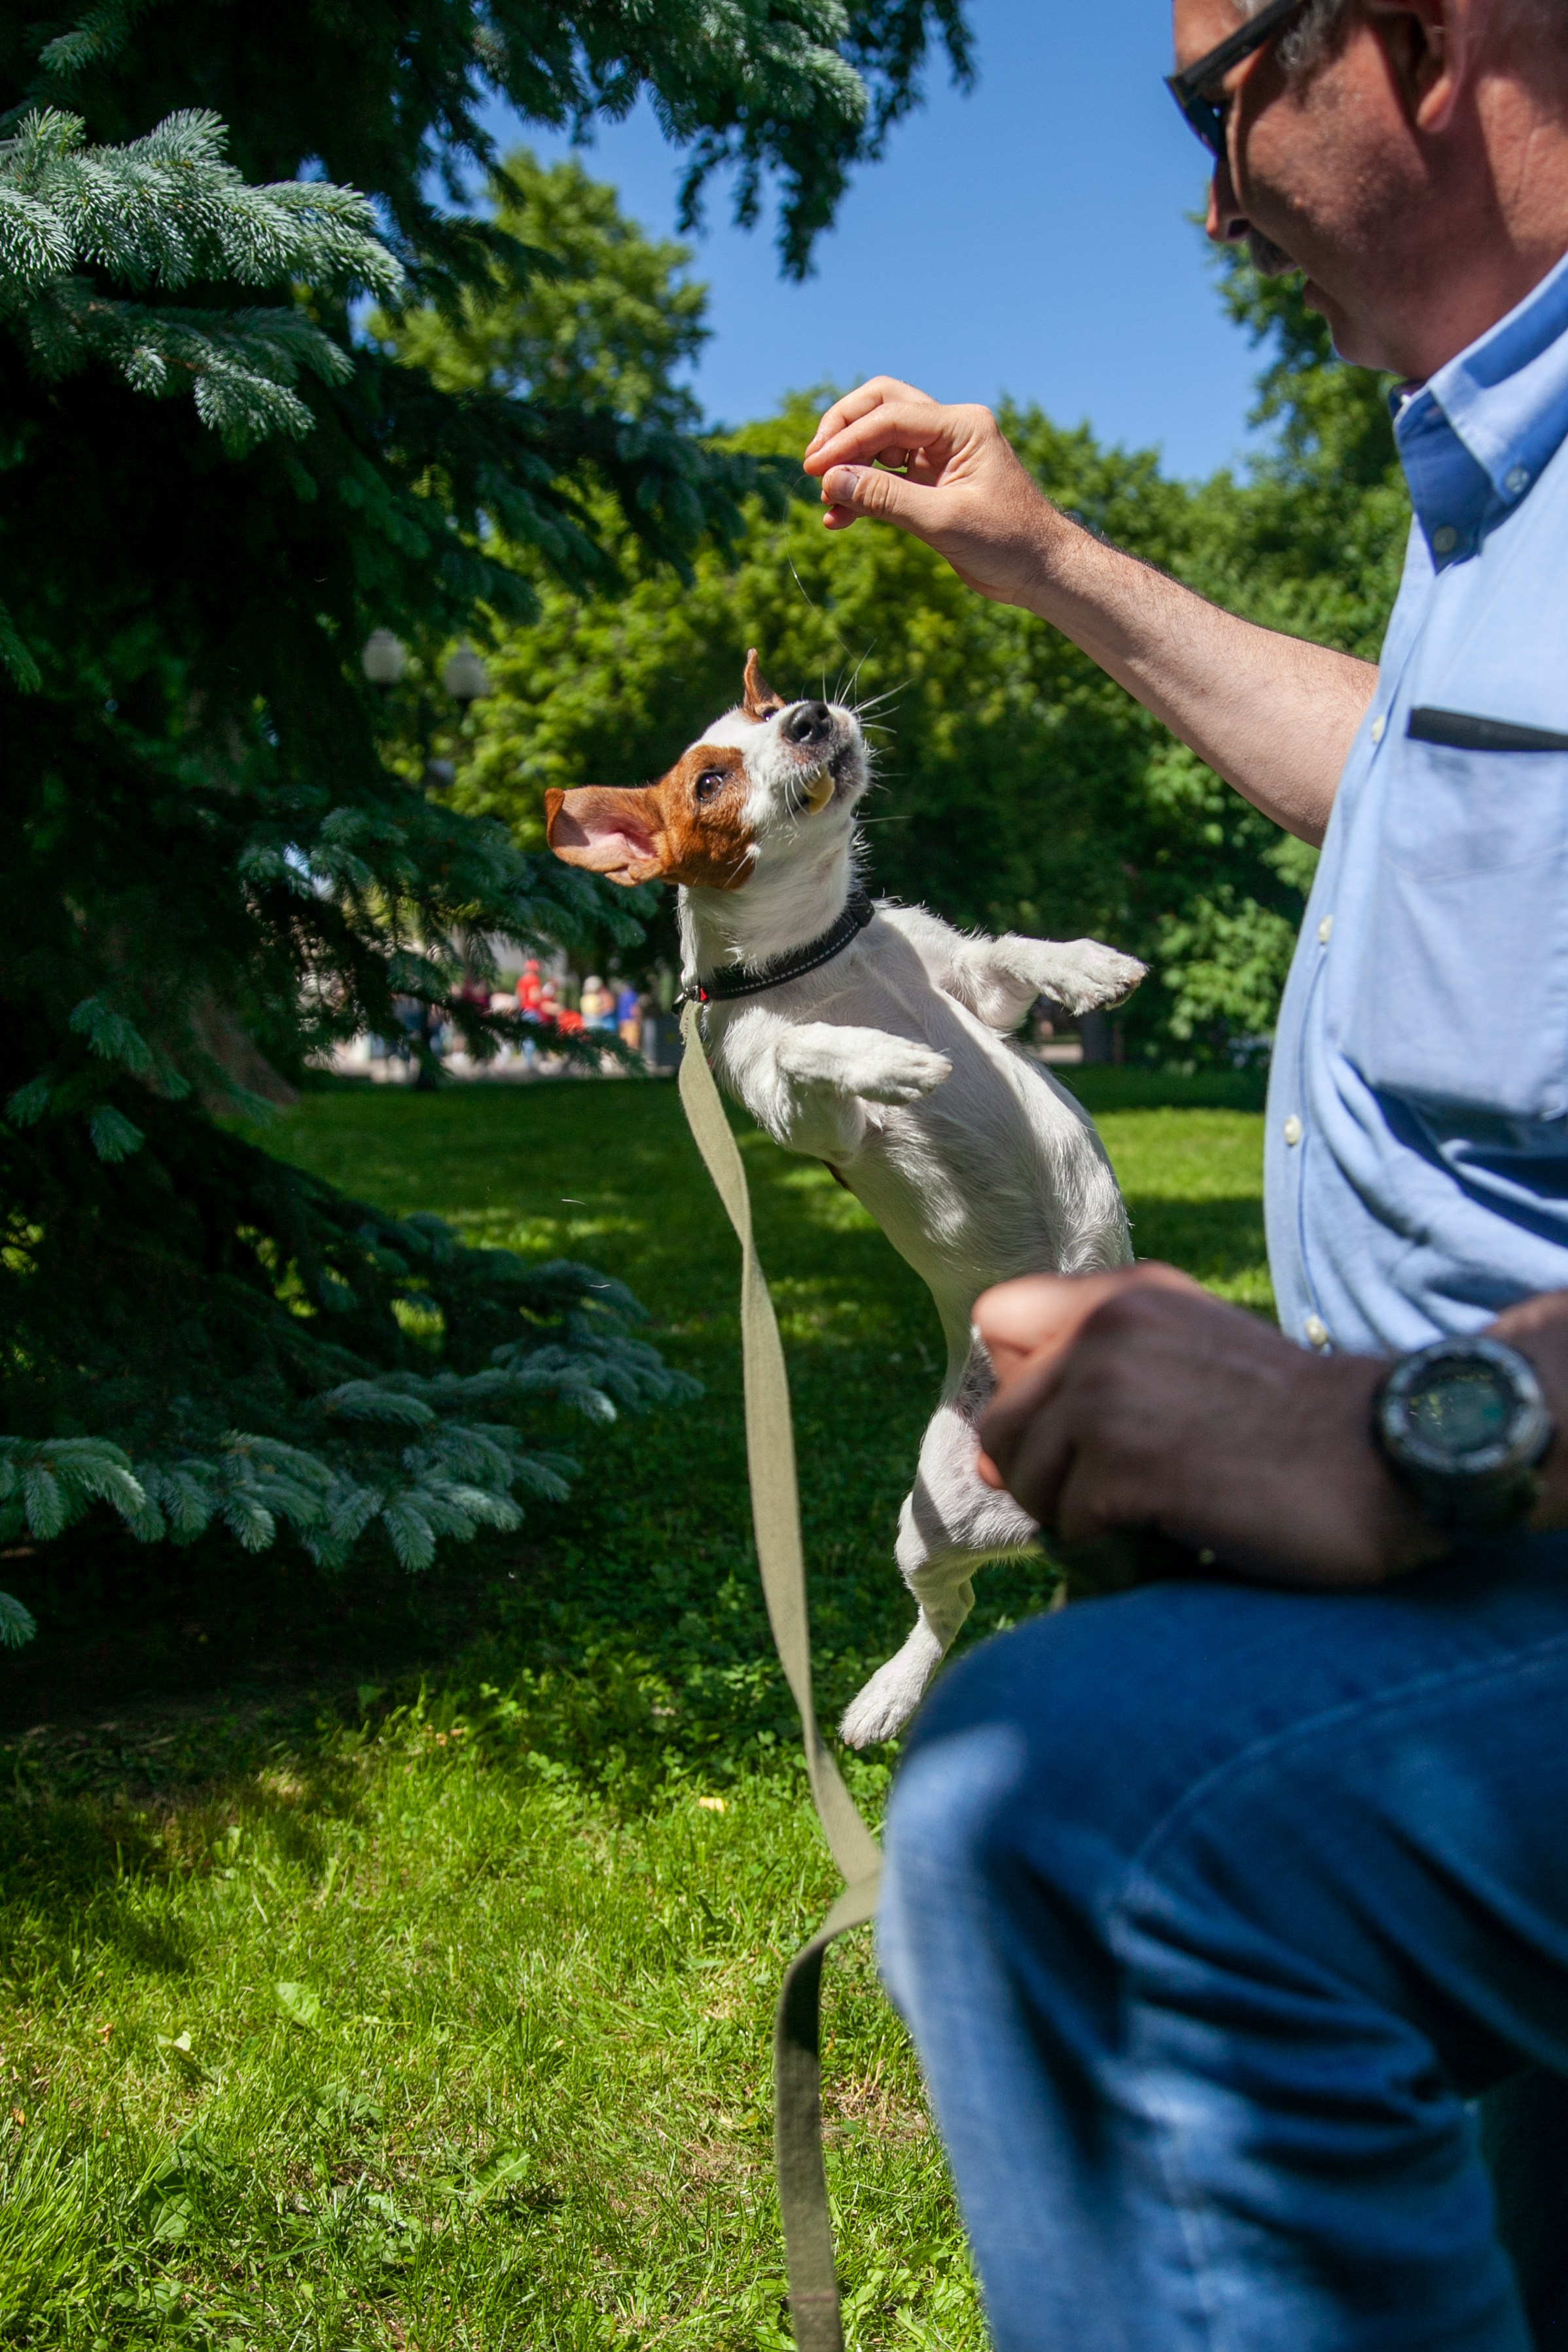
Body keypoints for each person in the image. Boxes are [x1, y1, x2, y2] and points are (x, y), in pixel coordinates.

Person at [801, 0, 1568, 2342]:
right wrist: (1049, 562)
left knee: (1098, 1817)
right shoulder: (1500, 478)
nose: (1206, 206)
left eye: (1208, 108)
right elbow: (1446, 806)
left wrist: (1401, 1430)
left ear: (1417, 40)